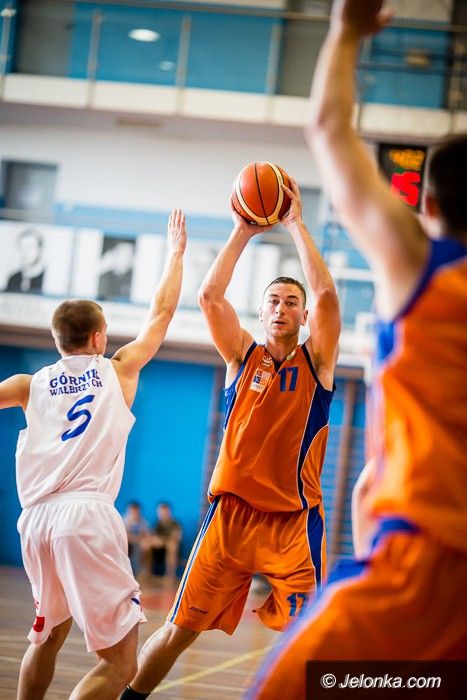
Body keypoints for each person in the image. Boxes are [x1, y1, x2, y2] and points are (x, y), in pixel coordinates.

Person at [249, 2, 467, 697]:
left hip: (419, 572)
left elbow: (327, 128)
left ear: (429, 209)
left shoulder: (425, 270)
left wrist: (346, 33)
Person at [121, 179, 341, 699]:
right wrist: (242, 230)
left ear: (303, 317)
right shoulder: (242, 356)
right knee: (179, 631)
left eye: (291, 302)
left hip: (293, 523)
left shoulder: (318, 363)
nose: (282, 308)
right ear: (261, 312)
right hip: (230, 519)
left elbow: (327, 296)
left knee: (315, 639)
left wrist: (295, 224)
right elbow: (209, 297)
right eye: (274, 301)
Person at [0, 209, 186, 700]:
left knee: (47, 636)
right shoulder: (117, 370)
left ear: (57, 340)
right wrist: (175, 254)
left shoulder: (27, 385)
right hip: (85, 516)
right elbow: (161, 315)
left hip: (35, 520)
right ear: (100, 338)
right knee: (120, 661)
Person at [142, 501, 182, 581]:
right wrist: (154, 540)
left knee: (172, 546)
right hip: (157, 549)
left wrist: (162, 540)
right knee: (145, 544)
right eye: (160, 512)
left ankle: (170, 576)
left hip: (169, 548)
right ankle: (147, 573)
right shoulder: (157, 523)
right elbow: (152, 536)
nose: (162, 514)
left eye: (164, 512)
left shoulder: (175, 524)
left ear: (169, 512)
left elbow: (176, 538)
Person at [4, 227, 46, 293]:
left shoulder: (46, 278)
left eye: (30, 247)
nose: (25, 252)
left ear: (39, 249)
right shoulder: (13, 279)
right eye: (22, 247)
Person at [123, 501, 150, 576]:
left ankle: (141, 572)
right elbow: (122, 535)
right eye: (132, 511)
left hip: (138, 544)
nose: (134, 513)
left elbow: (147, 535)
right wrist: (135, 538)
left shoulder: (143, 522)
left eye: (136, 511)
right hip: (127, 544)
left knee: (144, 546)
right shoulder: (124, 520)